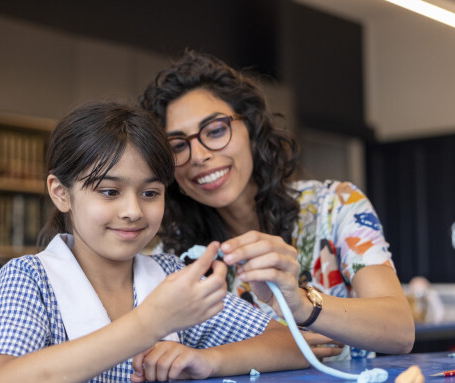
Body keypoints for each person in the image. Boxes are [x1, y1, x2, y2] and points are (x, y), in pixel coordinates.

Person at [0, 102, 316, 383]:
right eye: (109, 192)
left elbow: (298, 345)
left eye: (150, 193)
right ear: (61, 193)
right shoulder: (29, 277)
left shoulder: (171, 275)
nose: (133, 211)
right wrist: (150, 323)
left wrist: (208, 360)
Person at [140, 51, 415, 358]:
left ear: (252, 129)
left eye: (216, 130)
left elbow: (400, 332)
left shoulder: (336, 206)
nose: (200, 156)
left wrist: (299, 303)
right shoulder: (172, 258)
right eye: (178, 146)